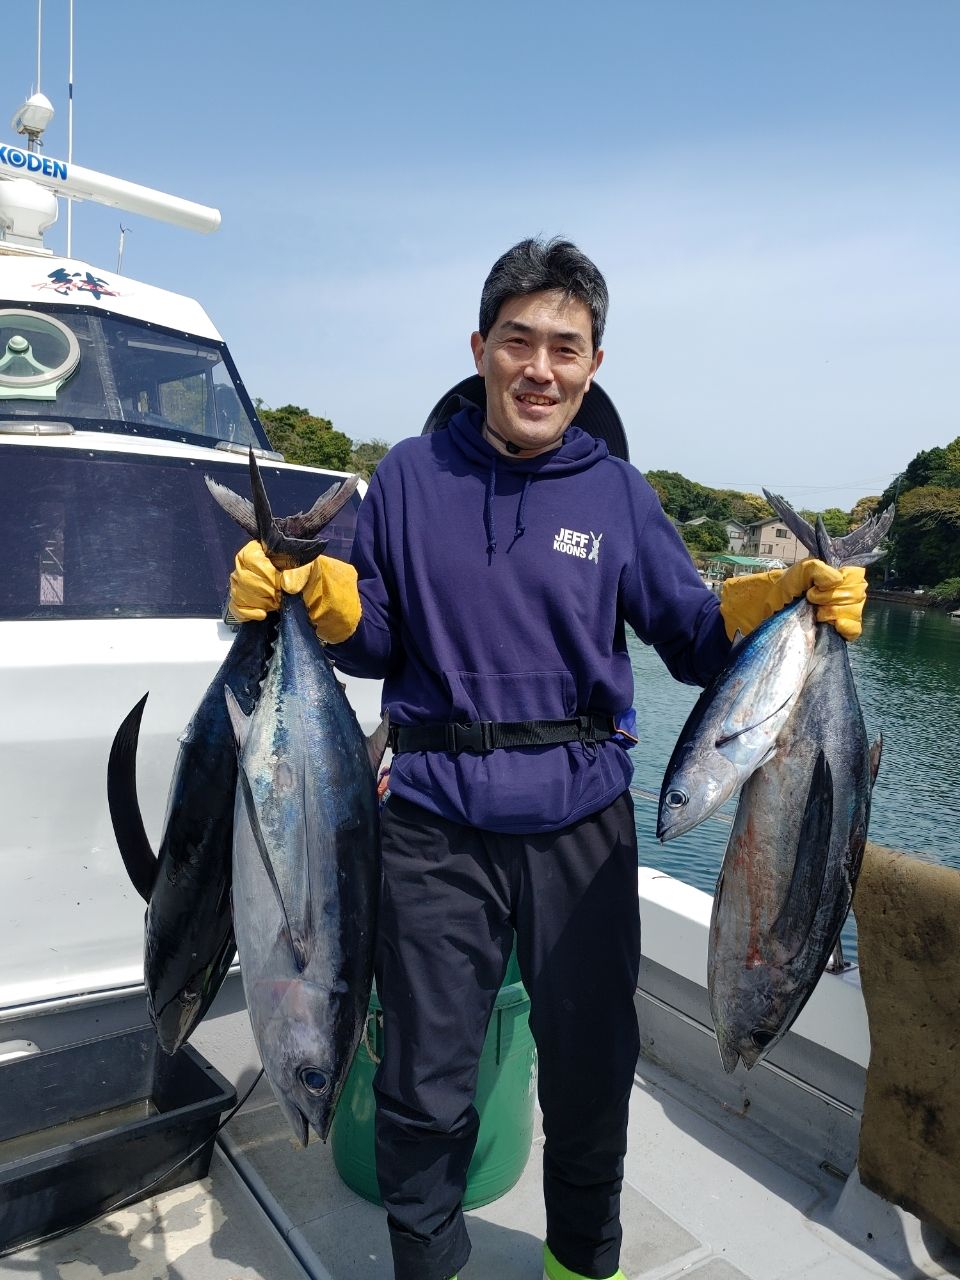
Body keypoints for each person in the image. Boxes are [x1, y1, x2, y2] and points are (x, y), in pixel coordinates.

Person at [229, 238, 867, 1280]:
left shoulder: (617, 493)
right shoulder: (405, 475)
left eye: (564, 347)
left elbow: (697, 641)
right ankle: (426, 1265)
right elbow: (375, 637)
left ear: (594, 364)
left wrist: (778, 602)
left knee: (588, 1073)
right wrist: (322, 596)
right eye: (518, 340)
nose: (540, 367)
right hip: (434, 827)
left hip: (582, 829)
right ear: (479, 348)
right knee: (424, 1084)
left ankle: (583, 1263)